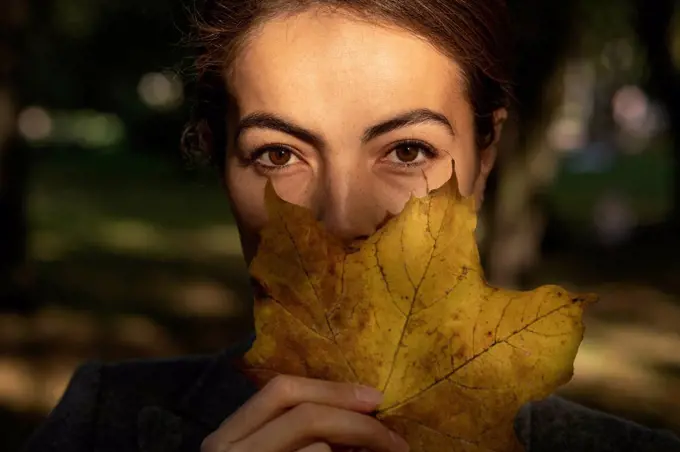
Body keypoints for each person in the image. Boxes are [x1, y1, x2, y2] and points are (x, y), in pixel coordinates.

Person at [23, 0, 680, 451]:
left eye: (406, 150)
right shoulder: (101, 423)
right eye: (278, 155)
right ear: (220, 166)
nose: (341, 216)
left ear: (484, 160)